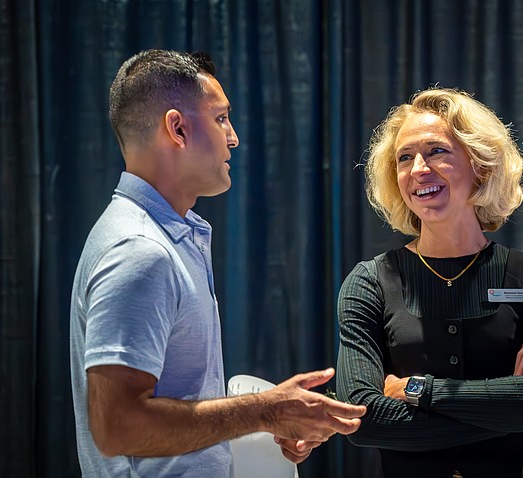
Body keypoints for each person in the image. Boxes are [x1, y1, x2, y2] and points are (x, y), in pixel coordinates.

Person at [69, 49, 365, 477]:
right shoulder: (140, 250)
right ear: (178, 129)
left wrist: (271, 415)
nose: (234, 137)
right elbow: (118, 427)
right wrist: (264, 412)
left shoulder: (168, 234)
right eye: (222, 118)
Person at [336, 87, 523, 477]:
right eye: (405, 158)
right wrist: (505, 406)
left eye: (437, 151)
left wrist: (416, 390)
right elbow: (363, 419)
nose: (418, 169)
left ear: (480, 163)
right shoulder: (370, 283)